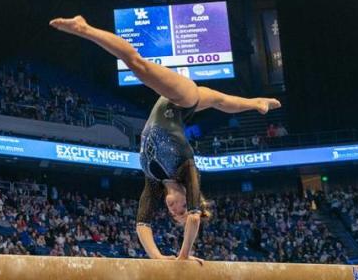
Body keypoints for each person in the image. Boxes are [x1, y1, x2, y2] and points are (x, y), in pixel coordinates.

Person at [50, 15, 281, 262]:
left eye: (174, 216)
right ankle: (84, 27)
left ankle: (256, 102)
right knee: (136, 62)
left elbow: (142, 224)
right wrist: (183, 256)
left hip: (180, 107)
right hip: (182, 99)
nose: (174, 211)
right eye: (182, 209)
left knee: (218, 100)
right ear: (190, 199)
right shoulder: (188, 168)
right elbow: (194, 218)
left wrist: (159, 259)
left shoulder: (154, 179)